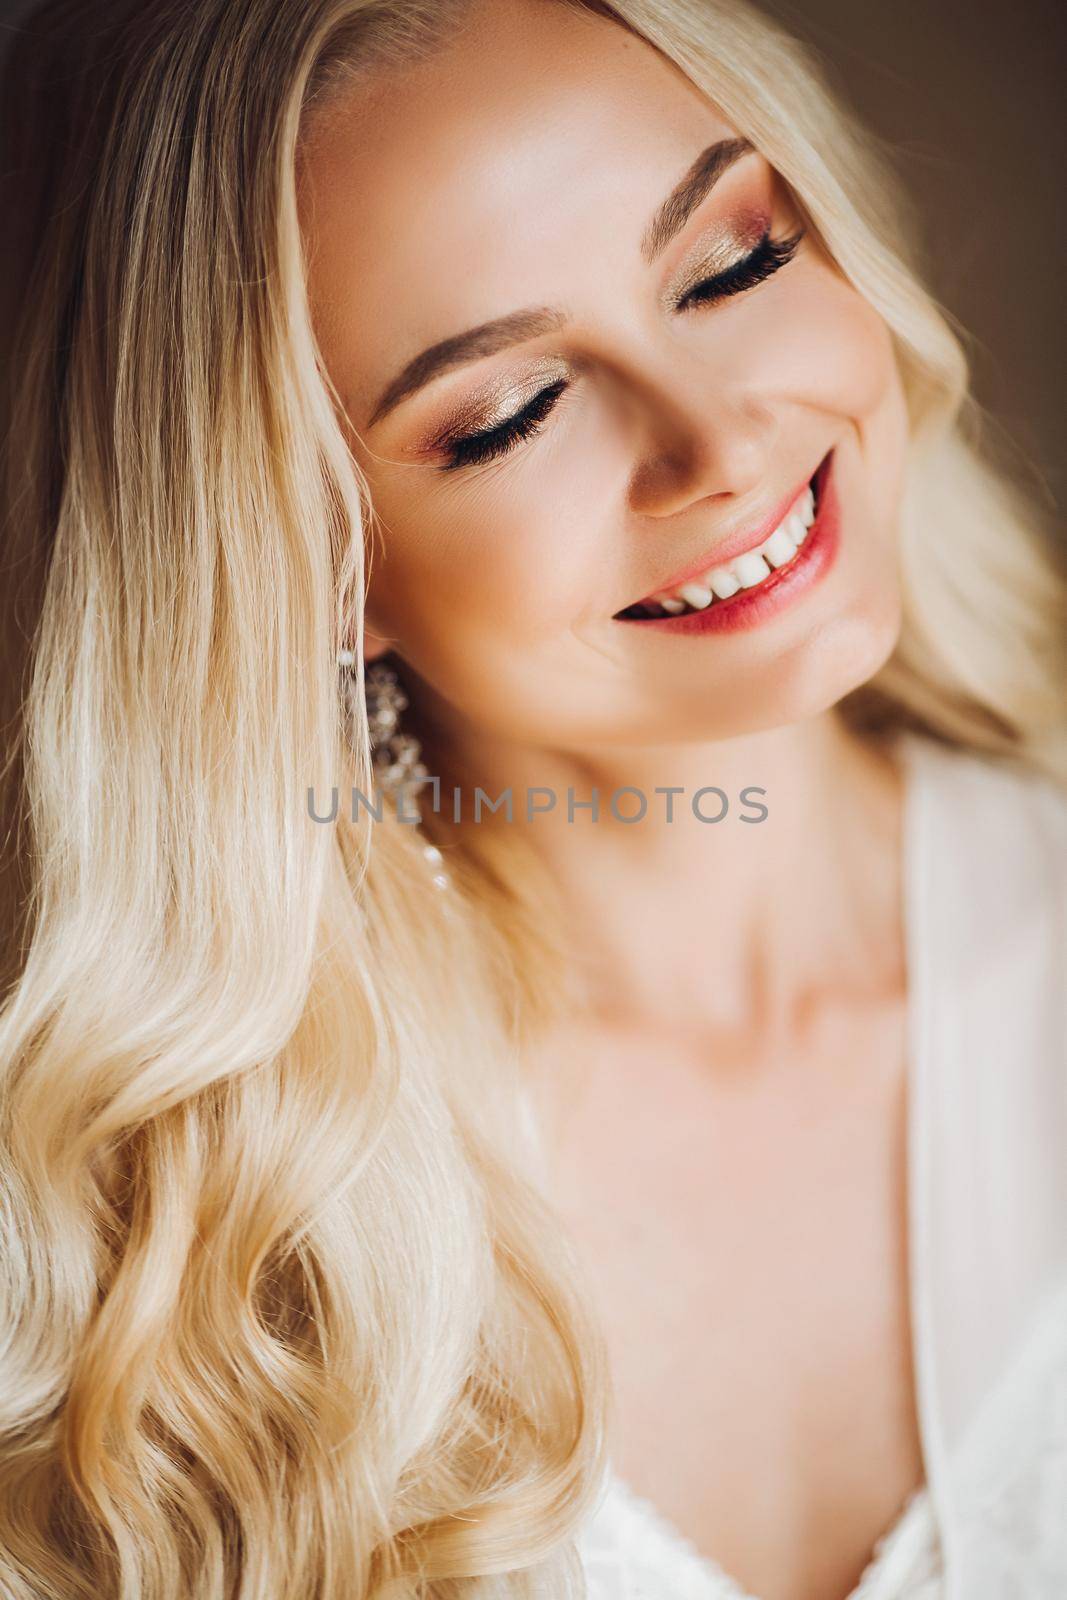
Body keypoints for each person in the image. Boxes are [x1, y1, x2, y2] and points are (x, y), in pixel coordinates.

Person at [1, 1, 1064, 1597]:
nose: (720, 445)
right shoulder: (139, 1244)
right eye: (506, 415)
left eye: (732, 263)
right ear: (306, 562)